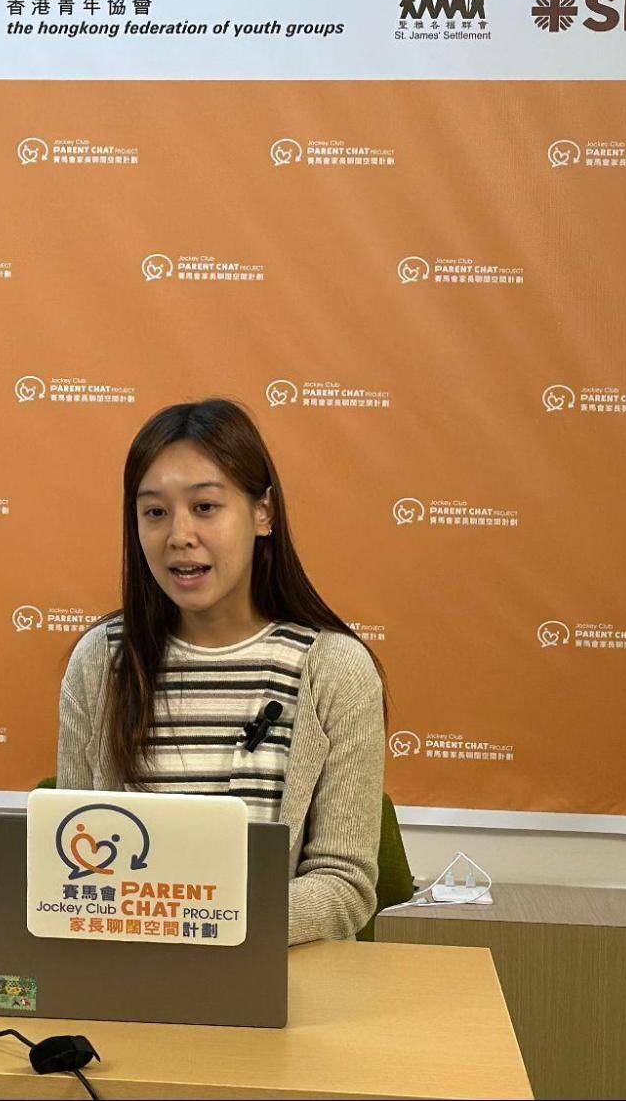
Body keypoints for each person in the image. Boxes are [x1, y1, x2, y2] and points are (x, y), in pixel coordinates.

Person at [56, 398, 388, 944]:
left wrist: (209, 920)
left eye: (205, 507)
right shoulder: (101, 662)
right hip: (130, 973)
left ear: (263, 513)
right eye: (155, 512)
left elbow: (344, 886)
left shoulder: (333, 668)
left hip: (277, 972)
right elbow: (68, 862)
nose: (179, 535)